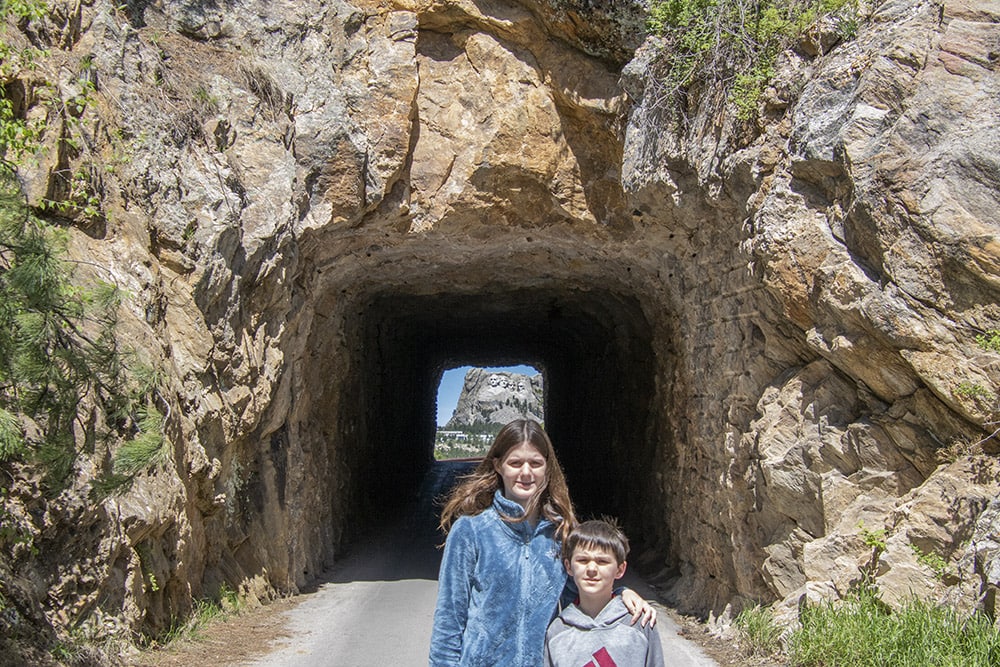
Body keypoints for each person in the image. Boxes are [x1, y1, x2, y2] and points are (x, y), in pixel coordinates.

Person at [429, 419, 655, 666]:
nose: (526, 473)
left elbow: (585, 599)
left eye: (535, 463)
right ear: (498, 465)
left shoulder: (563, 533)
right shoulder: (471, 531)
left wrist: (621, 595)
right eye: (515, 463)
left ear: (547, 468)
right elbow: (449, 619)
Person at [544, 519, 664, 667]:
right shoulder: (557, 631)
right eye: (582, 560)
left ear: (620, 569)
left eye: (602, 561)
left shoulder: (640, 623)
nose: (592, 569)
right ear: (568, 566)